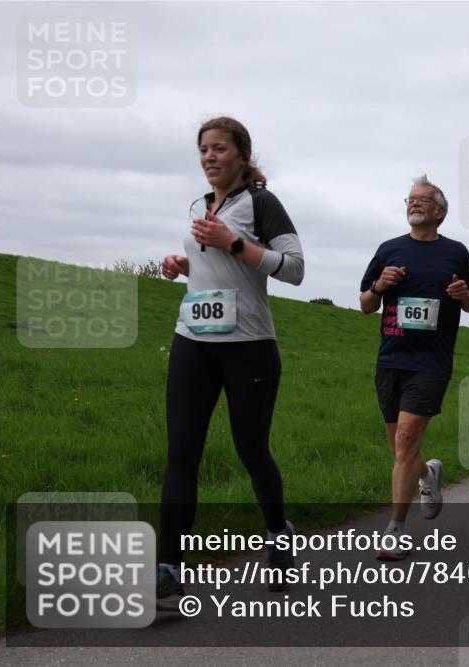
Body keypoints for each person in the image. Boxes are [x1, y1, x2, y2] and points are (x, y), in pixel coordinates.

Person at [156, 117, 304, 608]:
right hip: (193, 339)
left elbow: (295, 269)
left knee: (251, 449)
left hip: (249, 345)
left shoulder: (262, 203)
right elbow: (212, 268)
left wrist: (234, 244)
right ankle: (168, 571)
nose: (209, 157)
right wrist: (185, 265)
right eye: (203, 149)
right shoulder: (199, 206)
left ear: (242, 154)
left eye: (218, 148)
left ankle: (278, 534)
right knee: (182, 453)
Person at [360, 175, 469, 560]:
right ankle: (428, 475)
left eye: (423, 200)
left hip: (431, 362)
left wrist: (463, 294)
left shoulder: (456, 252)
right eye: (410, 199)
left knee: (406, 438)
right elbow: (365, 304)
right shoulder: (389, 249)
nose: (414, 203)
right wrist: (379, 286)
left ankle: (395, 530)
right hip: (391, 358)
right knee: (401, 449)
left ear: (440, 211)